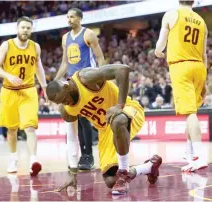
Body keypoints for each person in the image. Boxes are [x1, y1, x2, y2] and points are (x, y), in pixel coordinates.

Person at [46, 64, 162, 195]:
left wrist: (120, 105)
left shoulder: (85, 78)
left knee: (117, 121)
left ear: (66, 86)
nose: (64, 103)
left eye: (64, 99)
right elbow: (72, 137)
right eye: (60, 103)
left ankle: (124, 173)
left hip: (127, 111)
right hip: (105, 130)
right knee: (111, 181)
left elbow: (122, 70)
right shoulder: (66, 110)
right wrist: (73, 173)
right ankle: (149, 167)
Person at [155, 0, 208, 172]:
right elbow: (204, 54)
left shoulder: (171, 14)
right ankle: (190, 151)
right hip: (199, 67)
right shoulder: (202, 21)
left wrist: (158, 51)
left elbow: (160, 44)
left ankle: (200, 157)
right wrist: (205, 78)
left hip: (181, 66)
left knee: (190, 113)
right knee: (191, 113)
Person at [0, 16, 47, 176]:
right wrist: (8, 76)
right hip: (9, 90)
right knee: (12, 129)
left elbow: (39, 67)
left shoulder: (35, 47)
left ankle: (34, 160)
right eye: (23, 27)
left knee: (30, 127)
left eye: (28, 28)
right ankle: (13, 157)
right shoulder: (7, 45)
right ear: (17, 28)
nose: (25, 30)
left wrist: (44, 87)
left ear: (31, 30)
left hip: (28, 90)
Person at [54, 8, 105, 170]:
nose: (69, 19)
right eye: (68, 17)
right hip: (71, 82)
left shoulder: (88, 34)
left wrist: (101, 78)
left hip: (86, 80)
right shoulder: (65, 38)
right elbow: (64, 63)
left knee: (83, 118)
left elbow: (100, 58)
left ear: (80, 18)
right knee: (72, 118)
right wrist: (55, 81)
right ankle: (75, 156)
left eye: (73, 17)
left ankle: (88, 155)